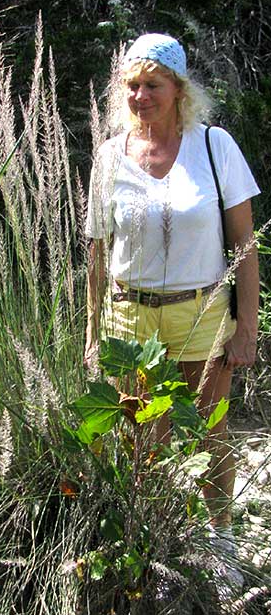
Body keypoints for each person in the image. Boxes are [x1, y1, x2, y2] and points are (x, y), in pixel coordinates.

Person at [84, 33, 260, 577]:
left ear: (178, 89)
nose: (141, 97)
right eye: (132, 86)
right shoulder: (111, 155)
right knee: (141, 437)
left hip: (202, 311)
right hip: (128, 313)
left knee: (210, 430)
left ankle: (222, 540)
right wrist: (92, 334)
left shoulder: (215, 147)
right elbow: (96, 251)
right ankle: (155, 549)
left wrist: (247, 326)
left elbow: (244, 246)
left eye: (152, 85)